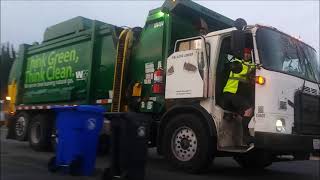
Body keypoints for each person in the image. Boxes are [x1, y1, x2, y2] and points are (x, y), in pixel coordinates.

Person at [223, 47, 255, 144]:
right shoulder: (236, 63)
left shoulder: (251, 65)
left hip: (239, 96)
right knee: (248, 110)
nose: (246, 55)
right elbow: (244, 72)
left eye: (248, 53)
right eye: (245, 53)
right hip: (230, 93)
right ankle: (246, 137)